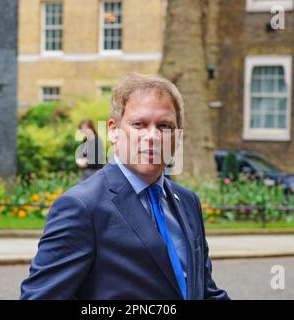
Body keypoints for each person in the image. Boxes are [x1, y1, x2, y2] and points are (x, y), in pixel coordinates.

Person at [20, 73, 229, 300]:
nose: (153, 136)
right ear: (113, 131)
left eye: (164, 126)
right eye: (139, 124)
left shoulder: (188, 202)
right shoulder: (82, 207)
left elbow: (204, 292)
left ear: (177, 136)